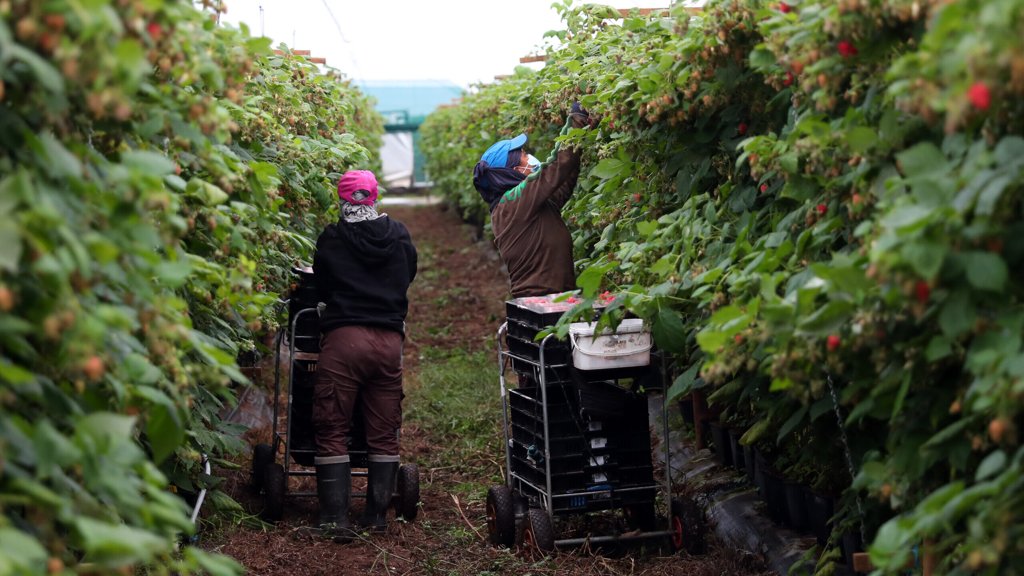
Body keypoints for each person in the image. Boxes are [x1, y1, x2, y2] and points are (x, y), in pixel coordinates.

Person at [311, 169, 417, 542]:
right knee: (383, 431)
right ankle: (376, 517)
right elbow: (408, 273)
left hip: (345, 341)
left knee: (332, 426)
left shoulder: (332, 238)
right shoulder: (398, 235)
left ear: (342, 200)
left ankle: (335, 518)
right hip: (388, 343)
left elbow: (321, 285)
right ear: (374, 197)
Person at [473, 103, 594, 298]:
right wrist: (576, 119)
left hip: (550, 299)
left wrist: (577, 136)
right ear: (514, 171)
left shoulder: (519, 205)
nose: (529, 157)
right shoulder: (513, 201)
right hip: (541, 302)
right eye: (523, 155)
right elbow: (557, 166)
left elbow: (562, 182)